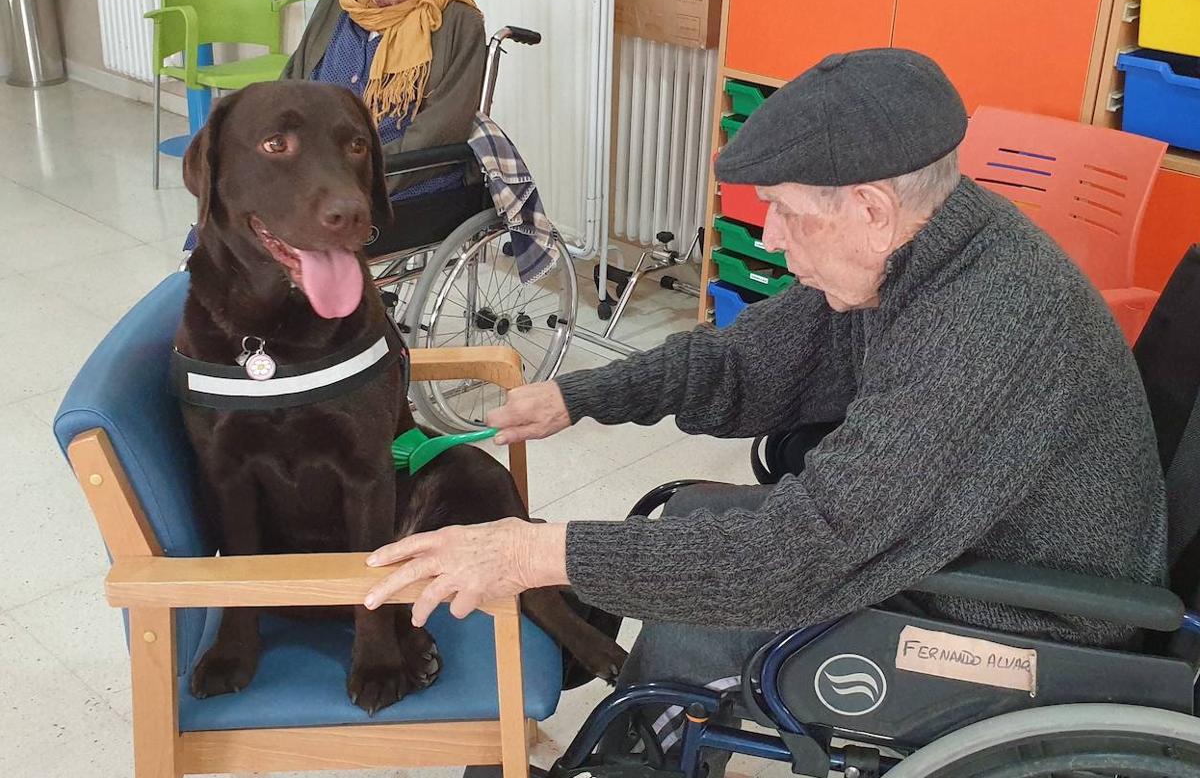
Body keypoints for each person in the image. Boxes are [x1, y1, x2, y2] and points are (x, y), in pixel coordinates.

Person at [362, 48, 1168, 762]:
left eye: (785, 210)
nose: (771, 237)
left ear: (872, 208)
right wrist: (581, 394)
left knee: (702, 616)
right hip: (953, 544)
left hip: (1030, 619)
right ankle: (645, 737)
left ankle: (638, 750)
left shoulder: (983, 323)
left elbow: (802, 552)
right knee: (681, 522)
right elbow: (743, 361)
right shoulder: (926, 244)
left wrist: (532, 554)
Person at [282, 0, 486, 198]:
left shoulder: (459, 22)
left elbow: (442, 131)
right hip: (315, 172)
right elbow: (291, 83)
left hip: (399, 184)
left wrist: (354, 176)